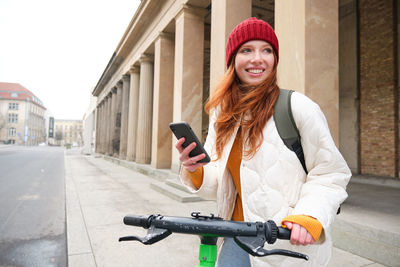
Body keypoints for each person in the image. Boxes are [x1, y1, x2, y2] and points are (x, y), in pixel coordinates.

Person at [175, 17, 351, 267]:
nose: (257, 58)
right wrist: (195, 169)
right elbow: (220, 180)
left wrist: (309, 216)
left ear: (274, 60)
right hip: (235, 234)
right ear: (233, 60)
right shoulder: (222, 115)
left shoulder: (298, 107)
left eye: (266, 50)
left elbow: (331, 172)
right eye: (247, 50)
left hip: (285, 240)